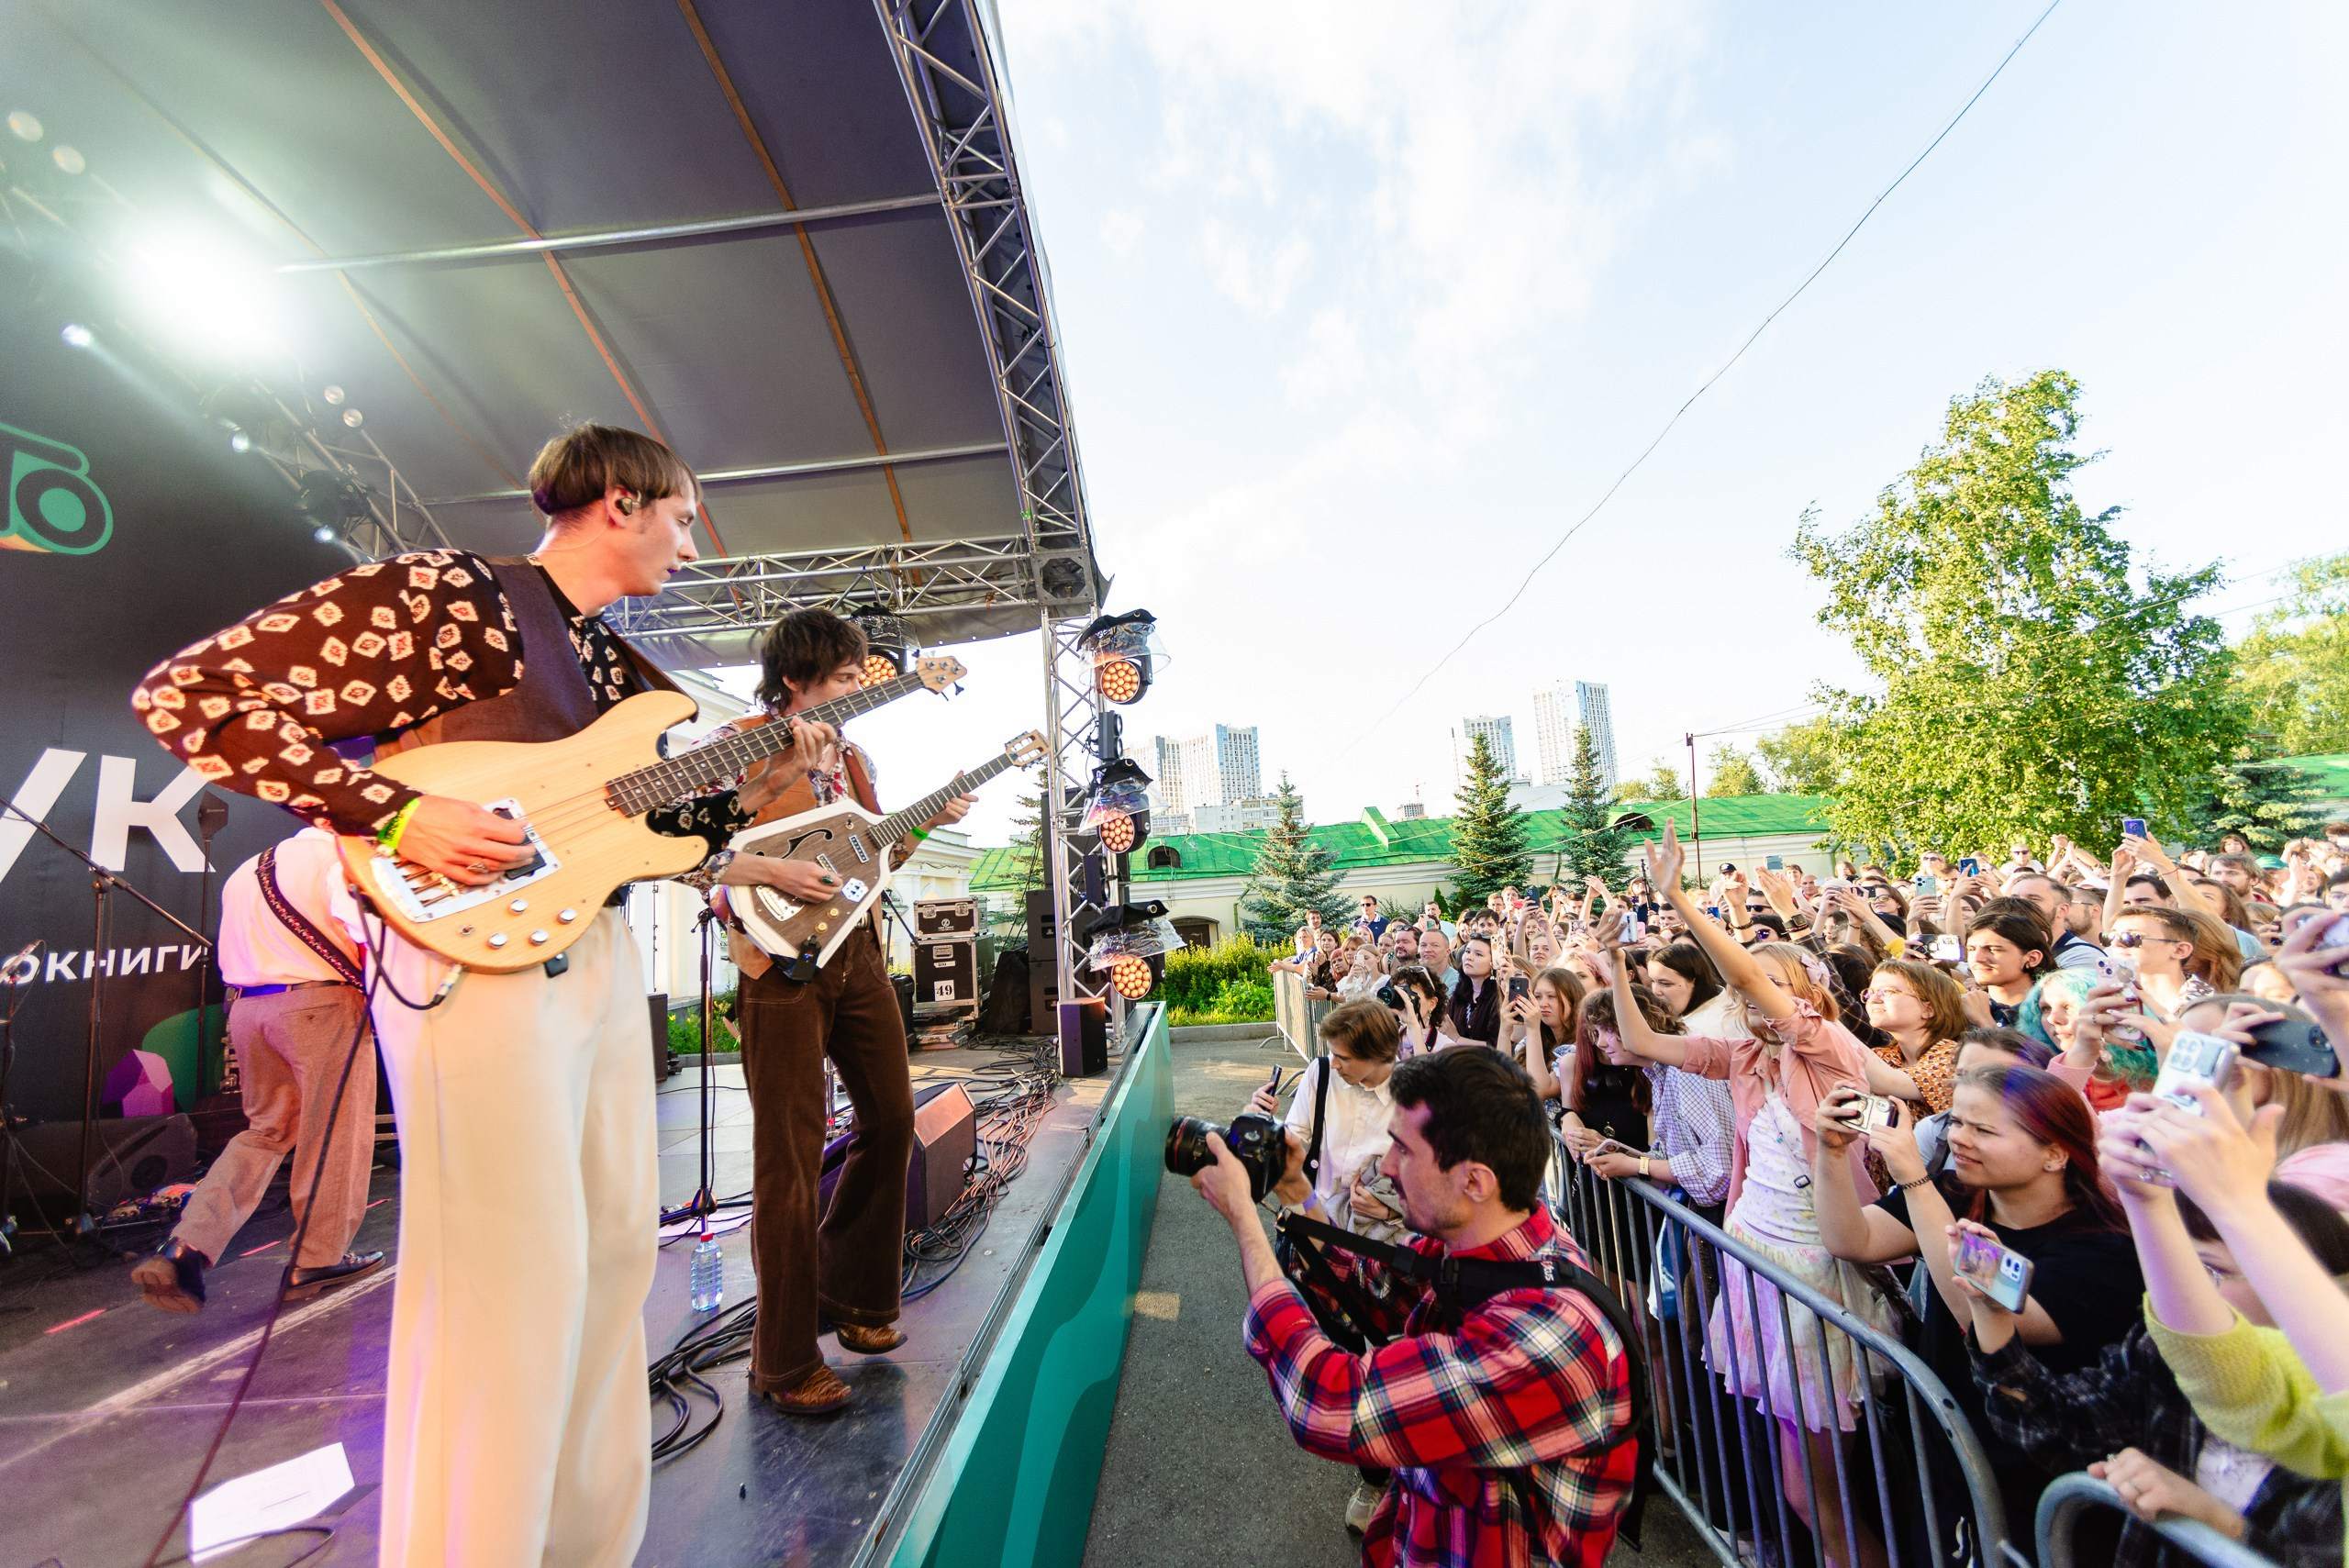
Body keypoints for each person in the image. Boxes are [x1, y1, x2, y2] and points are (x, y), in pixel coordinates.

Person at [131, 424, 828, 1566]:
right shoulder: (452, 597)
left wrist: (769, 771)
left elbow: (662, 831)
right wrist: (394, 812)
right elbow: (192, 694)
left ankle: (581, 1546)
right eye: (682, 517)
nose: (691, 546)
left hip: (595, 952)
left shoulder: (624, 671)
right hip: (473, 962)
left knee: (613, 1260)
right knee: (511, 1276)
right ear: (619, 500)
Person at [1190, 1046, 1641, 1567]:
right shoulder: (1477, 1248)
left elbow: (1328, 1402)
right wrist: (1294, 1186)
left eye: (1403, 1150)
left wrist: (1244, 1219)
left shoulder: (1549, 1335)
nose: (1386, 1167)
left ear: (1474, 1181)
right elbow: (1364, 1289)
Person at [700, 608, 975, 1415]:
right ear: (795, 679)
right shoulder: (736, 745)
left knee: (892, 1118)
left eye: (862, 675)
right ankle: (784, 1360)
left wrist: (927, 817)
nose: (860, 687)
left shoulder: (856, 758)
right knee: (788, 1156)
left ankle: (852, 1294)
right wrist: (770, 868)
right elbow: (684, 851)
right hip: (775, 963)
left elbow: (871, 856)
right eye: (847, 676)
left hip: (857, 953)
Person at [1609, 824, 1888, 1568]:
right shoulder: (1742, 1054)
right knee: (1802, 1489)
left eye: (1762, 985)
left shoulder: (1825, 1046)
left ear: (1808, 995)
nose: (1748, 996)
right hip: (1757, 1270)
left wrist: (1680, 900)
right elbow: (1645, 1043)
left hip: (1815, 1280)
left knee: (1821, 1496)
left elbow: (1758, 983)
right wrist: (1614, 964)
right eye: (1740, 989)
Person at [1809, 1063, 2143, 1553]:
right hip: (1951, 1462)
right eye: (1957, 1122)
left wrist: (1915, 1182)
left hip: (2040, 1492)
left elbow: (1980, 1315)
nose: (1960, 1139)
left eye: (1984, 1130)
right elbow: (1850, 1239)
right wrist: (1832, 1153)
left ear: (2055, 1153)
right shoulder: (1954, 1193)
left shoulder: (2102, 1251)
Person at [1959, 1181, 2349, 1567]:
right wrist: (1992, 1312)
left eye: (2211, 1270)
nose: (2187, 1290)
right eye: (2183, 1267)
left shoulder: (2335, 1411)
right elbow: (2058, 1424)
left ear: (2298, 1285)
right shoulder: (2168, 1349)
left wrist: (2218, 1522)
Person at [131, 829, 384, 1313]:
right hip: (319, 1005)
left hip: (248, 1010)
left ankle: (186, 1247)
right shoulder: (341, 859)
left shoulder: (248, 868)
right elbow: (370, 934)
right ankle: (319, 1258)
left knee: (265, 1132)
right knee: (337, 1132)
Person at [1247, 1000, 1407, 1532]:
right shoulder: (1319, 1075)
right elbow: (1293, 1143)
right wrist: (1262, 1127)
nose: (1334, 1064)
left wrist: (1391, 1208)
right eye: (1332, 1055)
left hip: (1389, 1249)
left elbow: (1440, 1175)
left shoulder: (1416, 1090)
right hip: (1320, 1237)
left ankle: (1396, 1475)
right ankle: (1375, 1474)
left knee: (1386, 1357)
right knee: (1344, 1351)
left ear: (1380, 1054)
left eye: (1345, 1058)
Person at [1965, 908, 2053, 1029]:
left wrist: (1984, 1020)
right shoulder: (1963, 1006)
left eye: (1993, 949)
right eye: (1971, 949)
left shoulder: (2052, 1010)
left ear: (2032, 958)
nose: (1977, 958)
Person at [1448, 932, 1503, 1047]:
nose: (1469, 957)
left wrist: (1457, 1039)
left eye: (1478, 954)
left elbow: (1498, 1046)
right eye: (1467, 951)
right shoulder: (1459, 992)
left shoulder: (1499, 997)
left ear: (1494, 962)